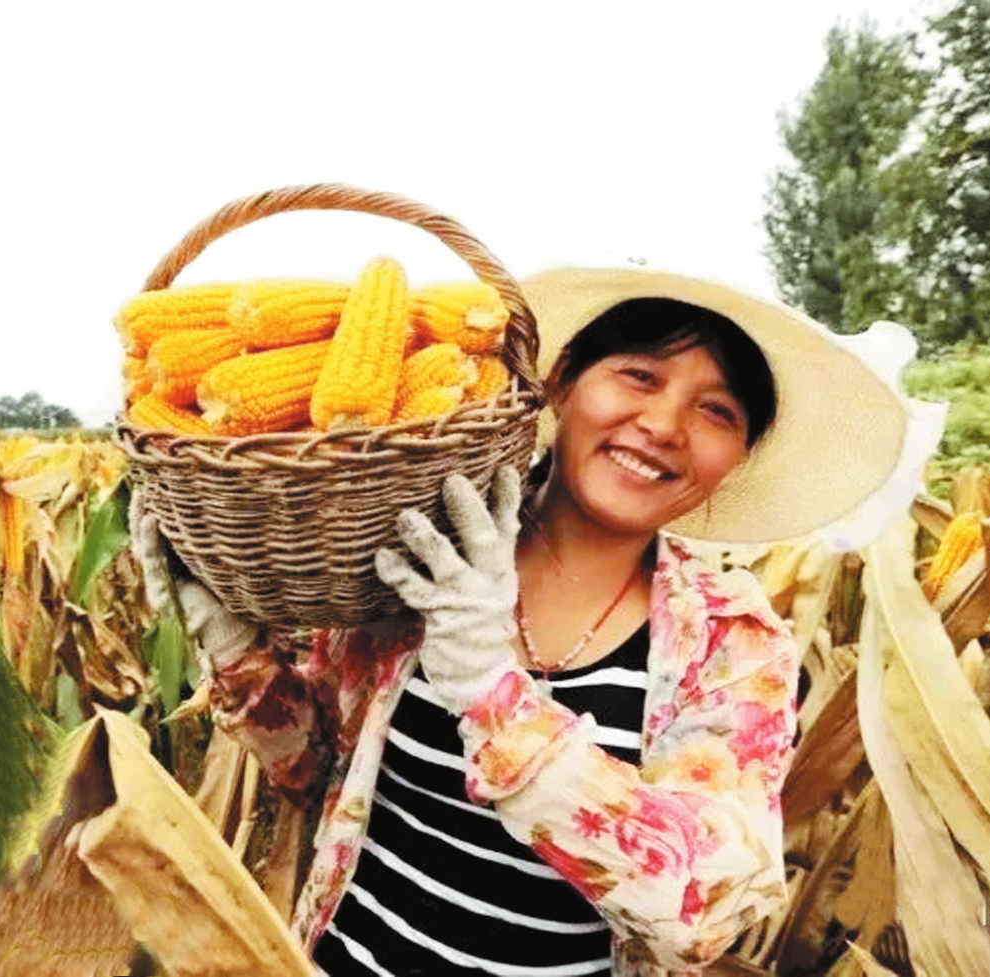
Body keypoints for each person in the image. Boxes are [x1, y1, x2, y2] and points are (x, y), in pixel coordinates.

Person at [135, 266, 910, 977]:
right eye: (639, 376)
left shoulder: (733, 645)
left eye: (716, 411)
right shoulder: (423, 552)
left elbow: (698, 913)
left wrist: (490, 694)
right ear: (562, 381)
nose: (664, 423)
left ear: (736, 455)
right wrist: (231, 645)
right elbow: (315, 770)